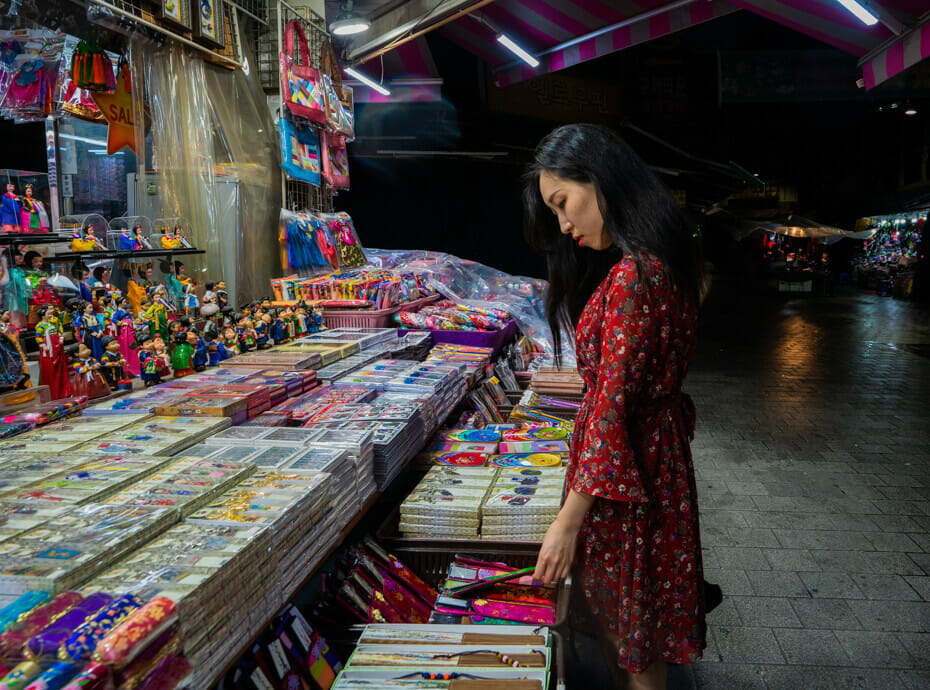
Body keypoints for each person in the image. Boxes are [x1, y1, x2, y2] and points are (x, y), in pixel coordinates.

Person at [524, 124, 707, 690]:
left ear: (599, 180)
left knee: (635, 638)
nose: (563, 224)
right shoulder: (661, 264)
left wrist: (567, 522)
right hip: (649, 466)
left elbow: (610, 410)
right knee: (641, 630)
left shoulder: (633, 278)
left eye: (563, 203)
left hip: (628, 484)